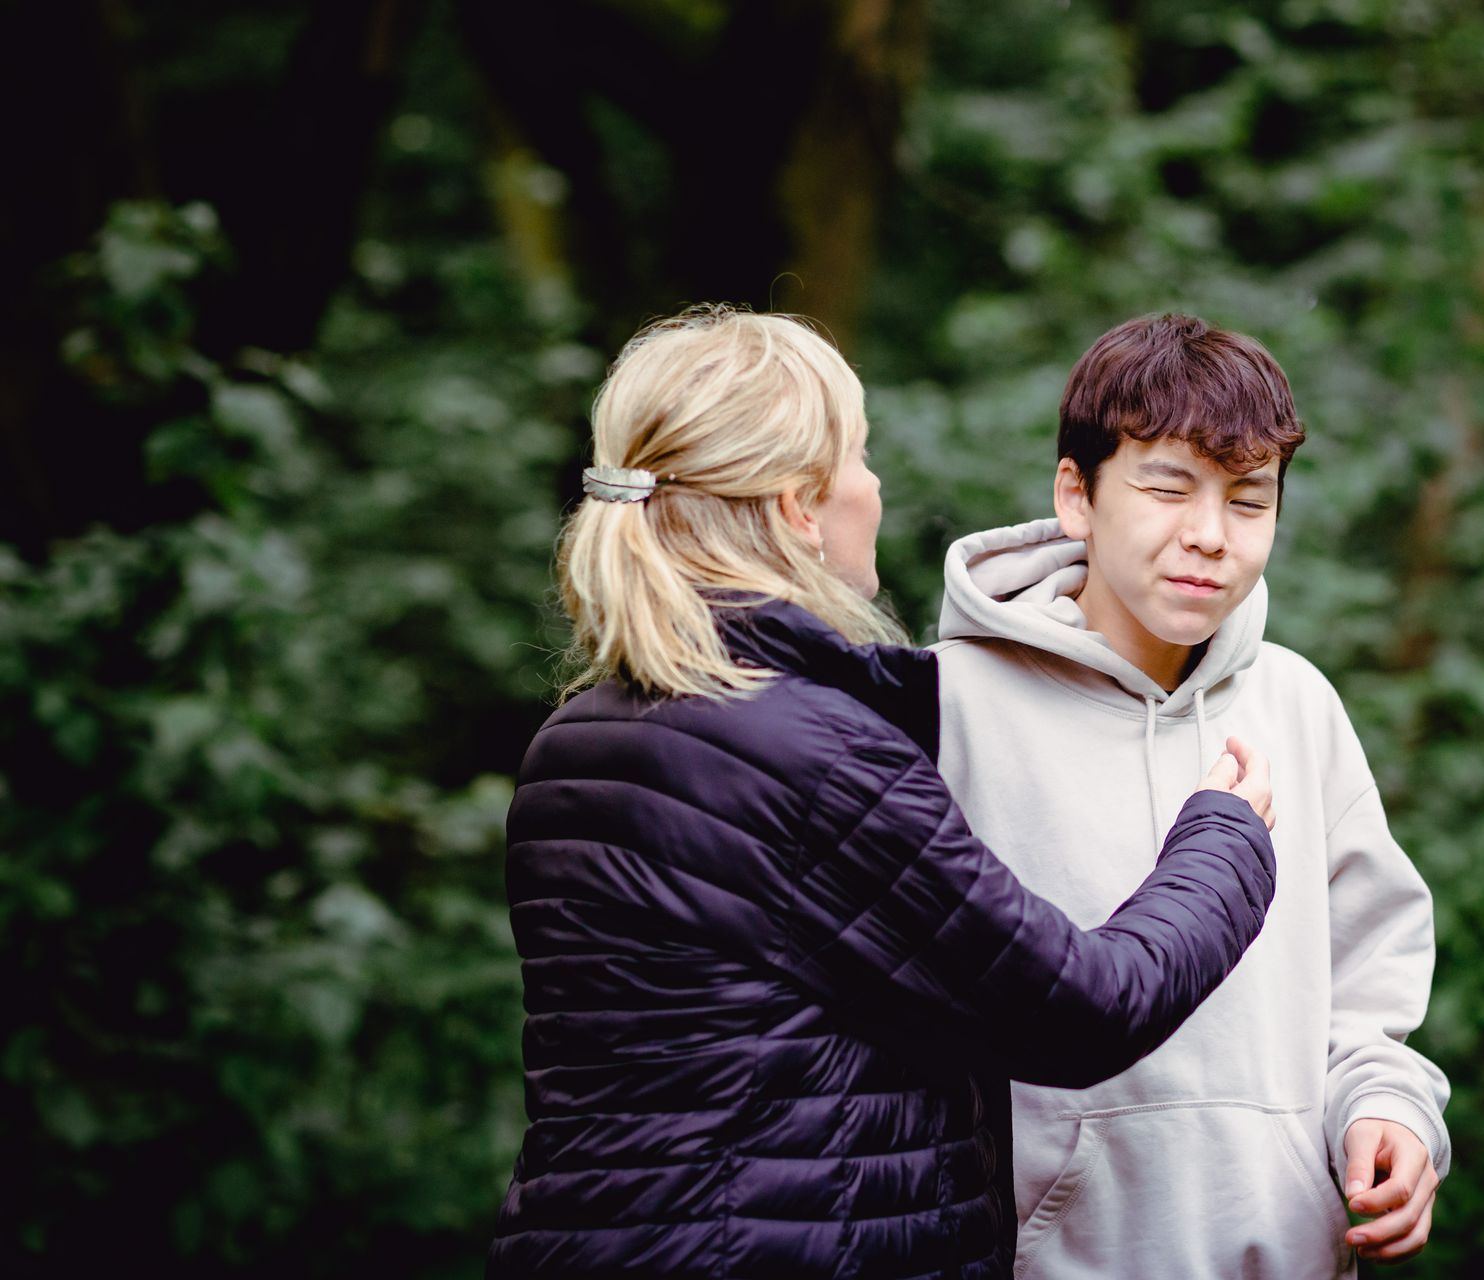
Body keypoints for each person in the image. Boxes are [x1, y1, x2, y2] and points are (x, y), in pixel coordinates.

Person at [486, 306, 1281, 1280]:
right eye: (858, 458)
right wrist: (1224, 841)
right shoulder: (805, 755)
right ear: (798, 508)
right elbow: (1076, 1009)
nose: (876, 485)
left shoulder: (580, 737)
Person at [933, 313, 1451, 1278]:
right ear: (1076, 495)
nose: (1209, 536)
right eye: (1167, 489)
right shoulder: (946, 709)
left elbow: (1369, 986)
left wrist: (1389, 1108)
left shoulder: (1296, 702)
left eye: (1249, 501)